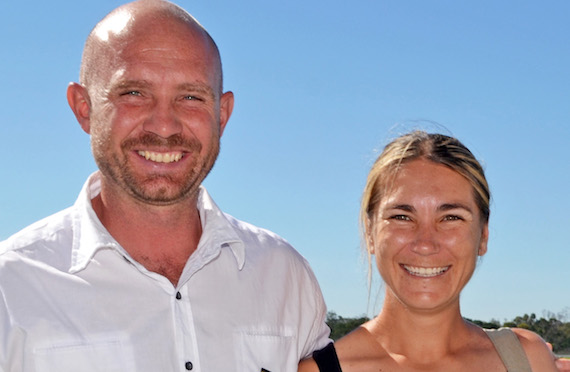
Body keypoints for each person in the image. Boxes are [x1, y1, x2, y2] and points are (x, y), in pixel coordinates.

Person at [0, 1, 330, 370]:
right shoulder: (10, 287)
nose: (164, 126)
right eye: (133, 93)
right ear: (84, 108)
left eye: (190, 97)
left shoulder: (286, 278)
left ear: (222, 115)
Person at [299, 131, 560, 371]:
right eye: (402, 217)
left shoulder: (527, 360)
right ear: (370, 233)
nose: (425, 243)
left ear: (483, 235)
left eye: (450, 218)